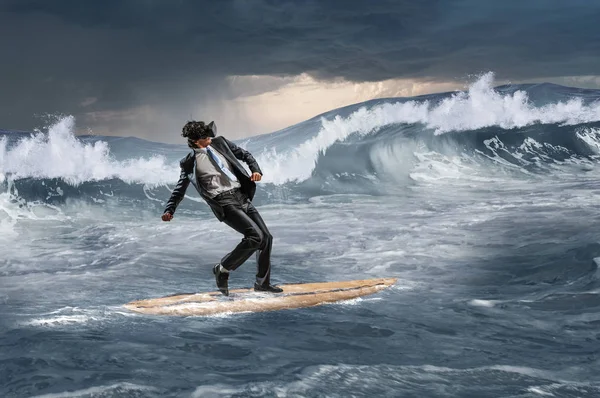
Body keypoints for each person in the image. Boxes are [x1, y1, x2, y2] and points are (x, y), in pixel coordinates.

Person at [161, 120, 283, 296]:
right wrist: (169, 210)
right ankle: (223, 268)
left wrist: (256, 170)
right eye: (205, 137)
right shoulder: (189, 163)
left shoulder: (220, 143)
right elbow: (180, 188)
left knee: (266, 238)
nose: (210, 137)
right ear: (196, 141)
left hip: (240, 196)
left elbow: (245, 155)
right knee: (255, 237)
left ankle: (262, 284)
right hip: (224, 202)